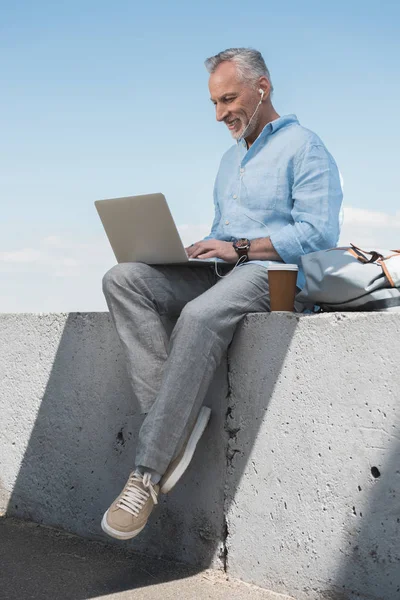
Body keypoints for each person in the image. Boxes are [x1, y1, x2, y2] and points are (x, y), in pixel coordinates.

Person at [101, 47, 343, 540]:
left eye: (228, 99)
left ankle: (147, 473)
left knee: (198, 315)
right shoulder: (229, 161)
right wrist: (201, 250)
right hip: (224, 268)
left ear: (263, 88)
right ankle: (172, 421)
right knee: (122, 277)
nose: (220, 114)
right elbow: (225, 236)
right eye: (213, 103)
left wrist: (238, 246)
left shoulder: (305, 147)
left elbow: (319, 233)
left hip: (275, 272)